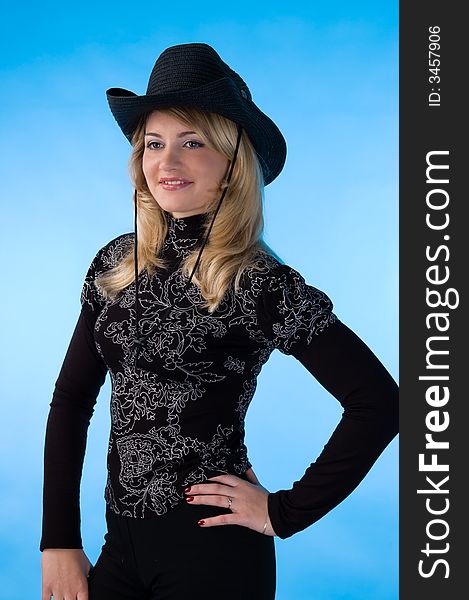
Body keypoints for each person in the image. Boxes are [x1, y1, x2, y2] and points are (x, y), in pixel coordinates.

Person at [40, 42, 399, 600]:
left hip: (212, 552)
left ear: (233, 161)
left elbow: (381, 401)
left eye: (192, 142)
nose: (167, 161)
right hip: (121, 547)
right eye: (154, 144)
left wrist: (286, 511)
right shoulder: (116, 264)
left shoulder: (259, 281)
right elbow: (71, 400)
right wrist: (58, 541)